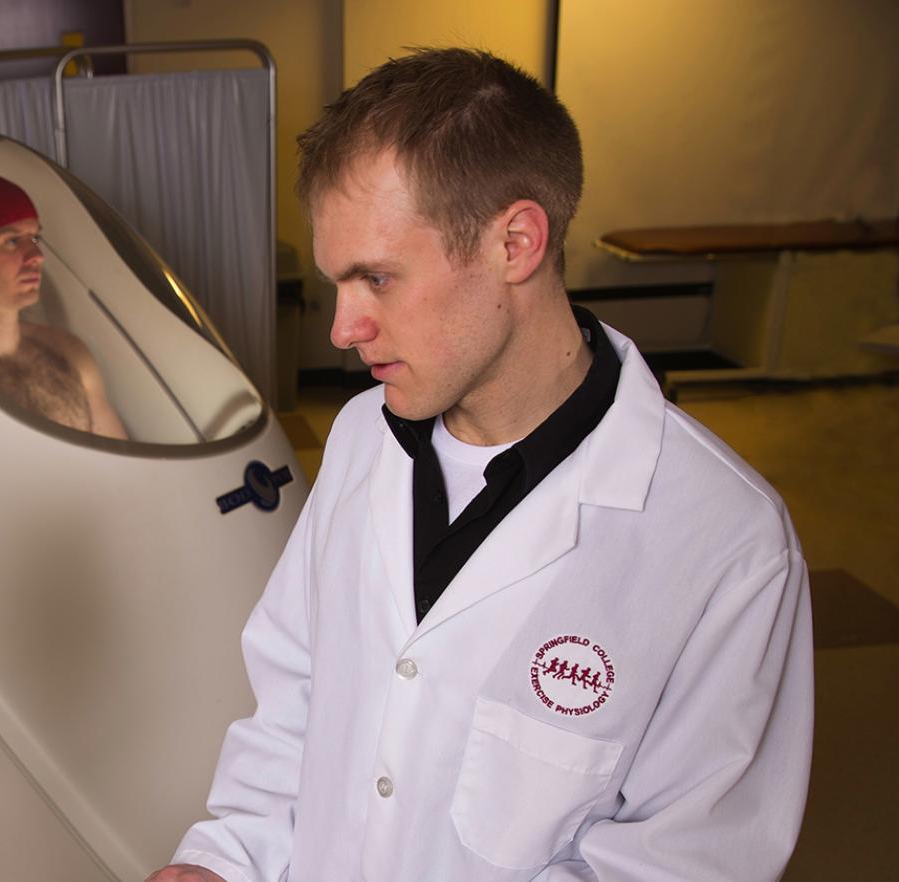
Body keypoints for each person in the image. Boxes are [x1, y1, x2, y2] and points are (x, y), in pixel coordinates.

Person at [148, 48, 813, 882]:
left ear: (517, 242)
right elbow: (294, 703)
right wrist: (224, 859)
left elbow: (682, 863)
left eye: (378, 279)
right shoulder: (360, 439)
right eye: (335, 283)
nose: (342, 329)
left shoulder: (727, 544)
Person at [0, 172, 127, 440]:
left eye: (35, 239)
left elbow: (119, 463)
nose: (37, 256)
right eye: (11, 241)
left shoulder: (69, 354)